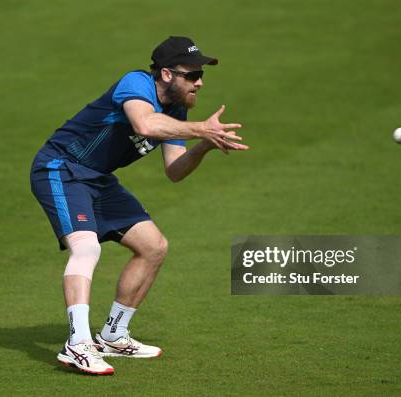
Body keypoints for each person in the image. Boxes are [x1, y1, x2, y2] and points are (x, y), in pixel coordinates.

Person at [30, 36, 248, 375]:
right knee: (86, 248)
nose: (200, 82)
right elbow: (144, 124)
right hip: (61, 169)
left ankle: (113, 334)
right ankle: (77, 344)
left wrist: (204, 143)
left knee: (153, 246)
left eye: (201, 75)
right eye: (191, 75)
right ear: (165, 74)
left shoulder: (175, 112)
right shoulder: (135, 83)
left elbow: (175, 171)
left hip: (97, 178)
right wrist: (198, 128)